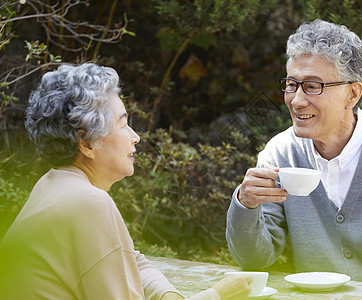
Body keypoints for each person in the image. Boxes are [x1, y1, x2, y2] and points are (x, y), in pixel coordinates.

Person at [226, 19, 362, 290]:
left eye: (312, 86)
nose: (296, 100)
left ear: (352, 94)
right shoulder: (280, 154)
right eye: (292, 84)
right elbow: (255, 260)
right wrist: (245, 205)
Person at [0, 63, 251, 299]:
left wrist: (168, 295)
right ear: (86, 143)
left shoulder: (53, 184)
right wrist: (216, 294)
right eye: (123, 124)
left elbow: (128, 258)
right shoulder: (88, 202)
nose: (136, 137)